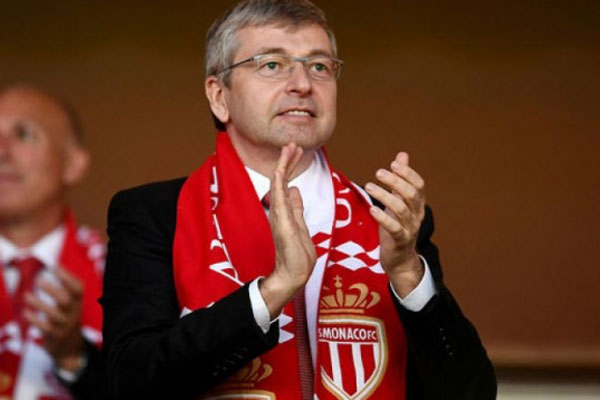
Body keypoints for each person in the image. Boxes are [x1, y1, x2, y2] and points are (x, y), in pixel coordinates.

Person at [102, 0, 497, 399]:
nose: (303, 84)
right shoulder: (156, 215)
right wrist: (275, 290)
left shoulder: (389, 220)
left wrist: (409, 276)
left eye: (319, 66)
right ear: (219, 96)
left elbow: (472, 393)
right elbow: (130, 384)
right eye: (272, 64)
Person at [0, 85, 105, 399]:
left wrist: (72, 354)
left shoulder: (119, 273)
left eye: (23, 135)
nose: (2, 152)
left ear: (73, 164)